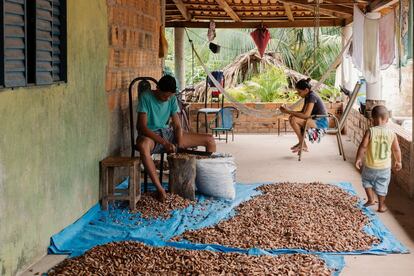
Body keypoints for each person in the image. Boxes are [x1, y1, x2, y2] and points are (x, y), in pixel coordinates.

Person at [136, 75, 216, 202]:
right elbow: (141, 127)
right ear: (157, 89)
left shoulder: (172, 99)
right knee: (143, 146)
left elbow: (178, 126)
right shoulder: (146, 97)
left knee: (210, 140)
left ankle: (207, 186)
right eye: (164, 96)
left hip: (168, 133)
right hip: (151, 135)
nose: (167, 98)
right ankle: (160, 189)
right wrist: (164, 142)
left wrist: (178, 143)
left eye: (170, 96)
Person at [355, 105, 402, 212]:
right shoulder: (392, 133)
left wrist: (358, 159)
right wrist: (398, 161)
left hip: (370, 166)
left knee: (366, 181)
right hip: (384, 168)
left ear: (372, 119)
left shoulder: (370, 131)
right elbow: (396, 149)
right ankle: (381, 206)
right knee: (382, 186)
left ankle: (371, 199)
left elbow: (363, 146)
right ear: (387, 119)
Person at [279, 78, 328, 153]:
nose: (298, 94)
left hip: (321, 122)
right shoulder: (308, 96)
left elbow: (306, 115)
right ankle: (302, 143)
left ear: (306, 90)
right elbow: (303, 112)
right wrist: (289, 111)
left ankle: (302, 144)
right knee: (292, 117)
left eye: (299, 92)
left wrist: (288, 111)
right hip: (314, 119)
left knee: (293, 119)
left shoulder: (312, 96)